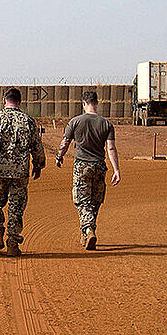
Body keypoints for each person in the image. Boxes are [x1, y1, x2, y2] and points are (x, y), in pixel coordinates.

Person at [0, 87, 45, 256]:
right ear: (20, 102)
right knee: (16, 206)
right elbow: (37, 146)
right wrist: (38, 165)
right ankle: (13, 243)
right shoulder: (28, 121)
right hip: (20, 172)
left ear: (4, 101)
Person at [55, 89, 121, 250]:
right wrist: (116, 169)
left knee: (82, 201)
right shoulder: (106, 124)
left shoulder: (75, 121)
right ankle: (87, 234)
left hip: (82, 166)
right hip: (99, 166)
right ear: (96, 103)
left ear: (83, 103)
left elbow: (65, 142)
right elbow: (111, 148)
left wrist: (59, 156)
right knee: (95, 201)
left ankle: (88, 229)